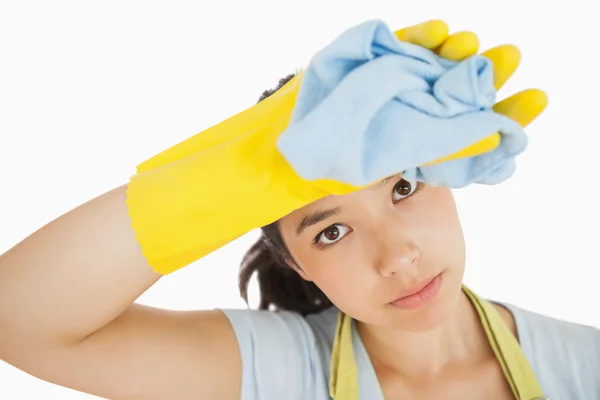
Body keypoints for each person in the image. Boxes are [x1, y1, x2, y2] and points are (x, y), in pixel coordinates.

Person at [0, 19, 598, 400]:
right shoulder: (278, 371)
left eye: (404, 189)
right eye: (333, 230)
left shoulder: (586, 365)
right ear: (297, 263)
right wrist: (252, 168)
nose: (398, 257)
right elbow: (17, 321)